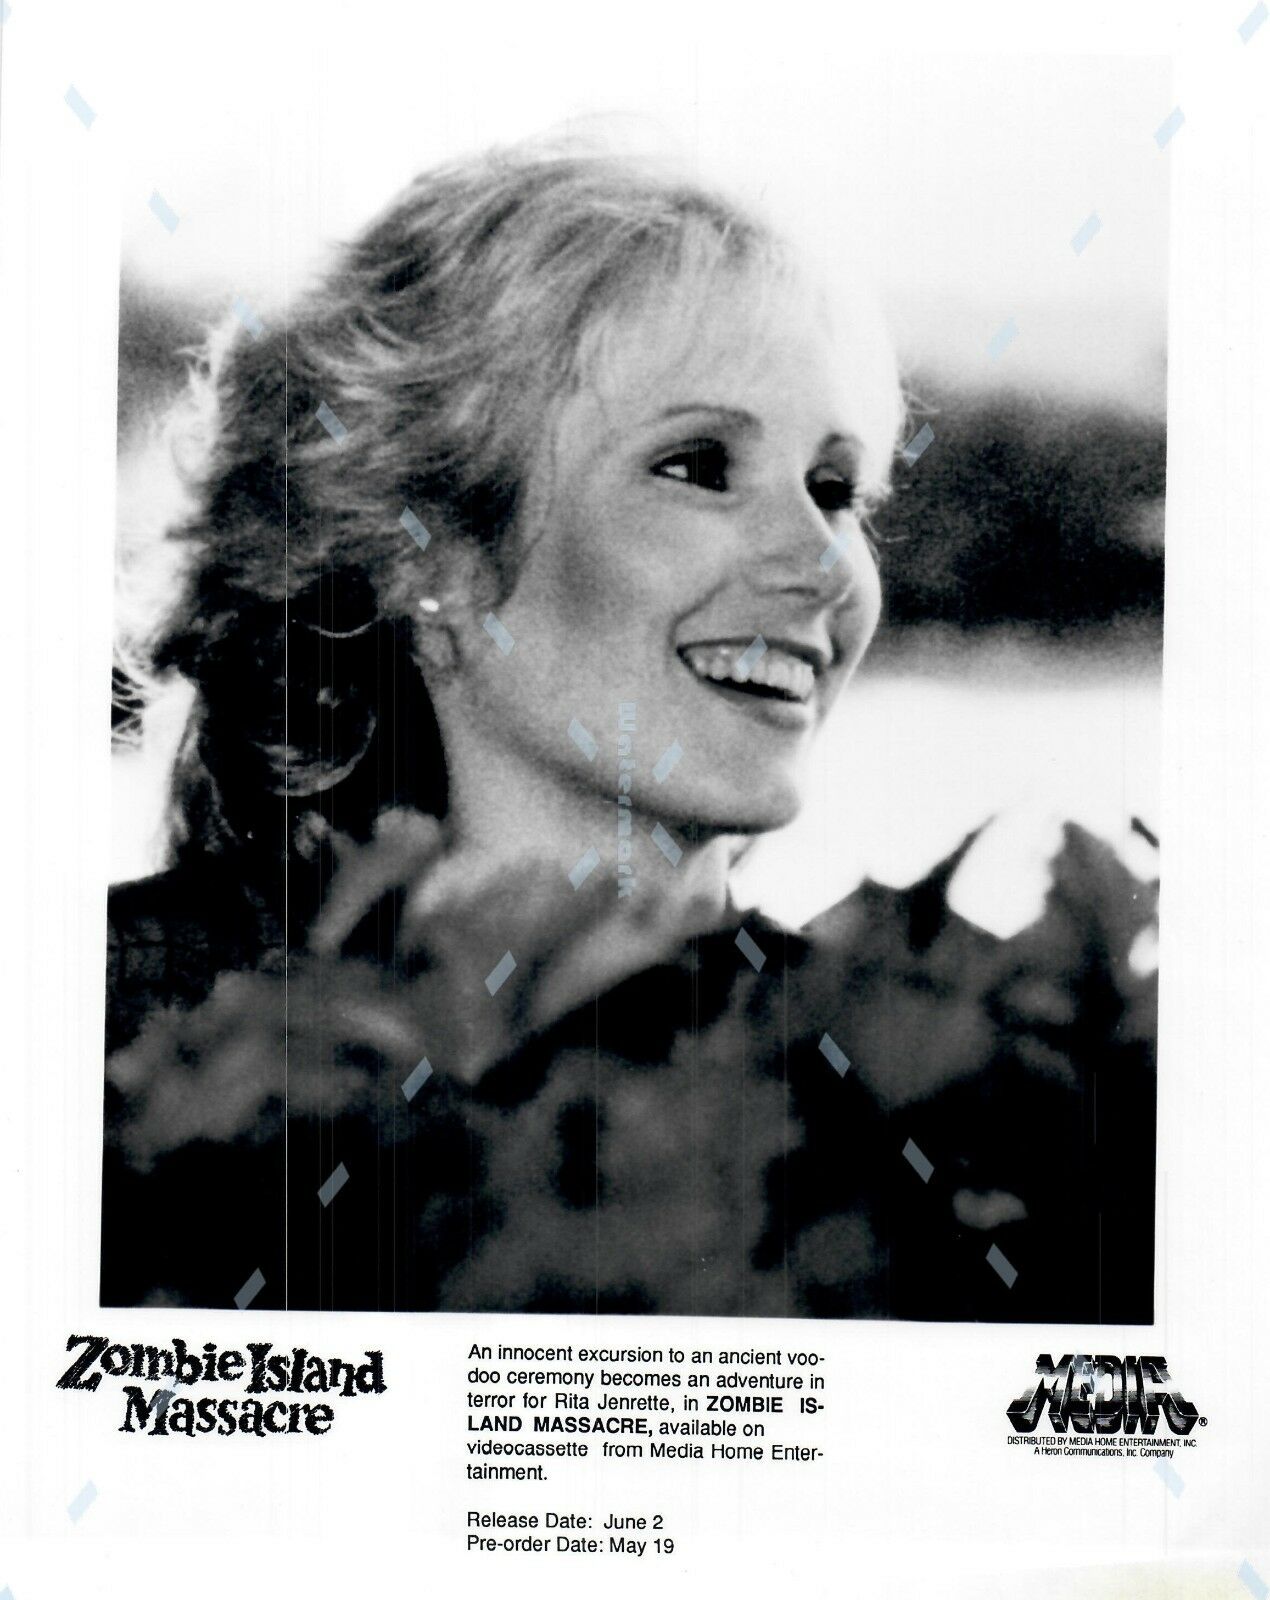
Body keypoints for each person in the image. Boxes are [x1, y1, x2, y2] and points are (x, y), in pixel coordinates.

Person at [102, 143, 1156, 1318]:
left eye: (835, 491)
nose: (822, 567)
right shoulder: (100, 1040)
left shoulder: (976, 1097)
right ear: (427, 557)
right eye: (699, 466)